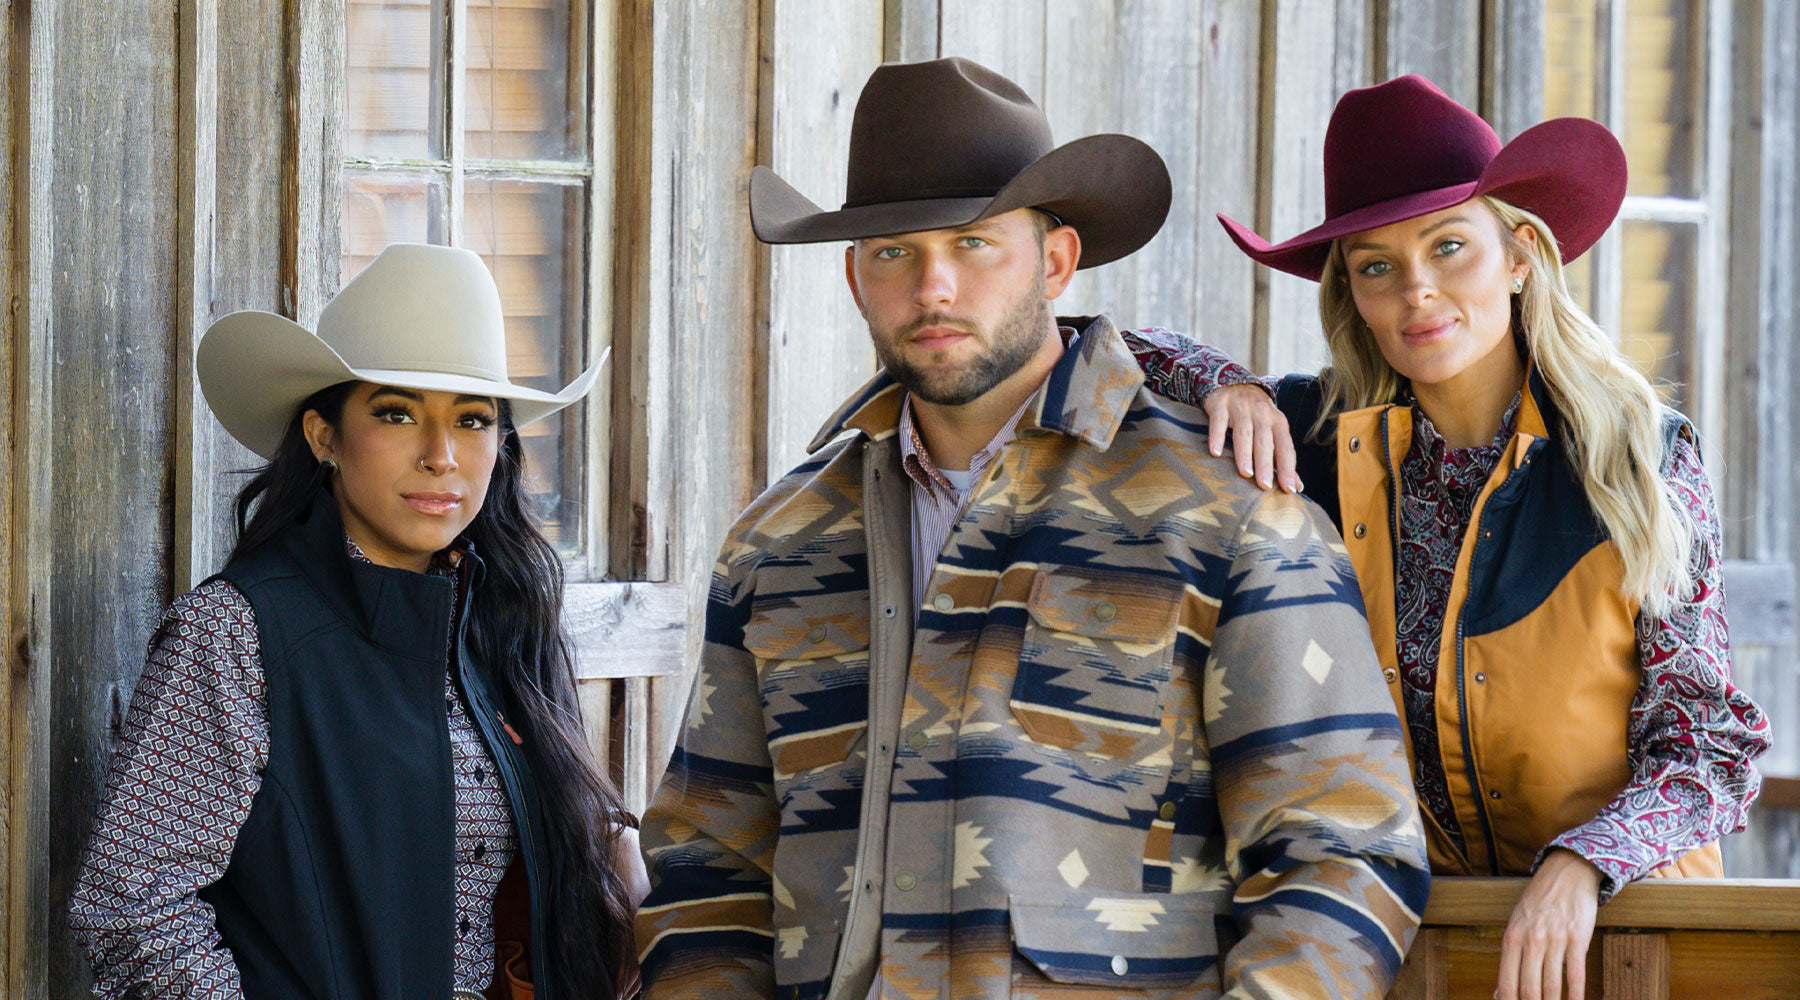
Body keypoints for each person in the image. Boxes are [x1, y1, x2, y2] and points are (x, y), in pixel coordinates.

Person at [633, 56, 1429, 1000]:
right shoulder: (780, 545)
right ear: (854, 278)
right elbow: (706, 868)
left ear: (1055, 262)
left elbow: (1341, 850)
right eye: (893, 251)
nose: (933, 285)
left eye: (974, 244)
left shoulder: (1226, 515)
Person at [1122, 75, 1770, 1000]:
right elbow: (1075, 344)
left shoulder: (1637, 459)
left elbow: (1709, 742)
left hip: (1628, 941)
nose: (1417, 292)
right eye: (1375, 265)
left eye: (1449, 246)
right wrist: (1222, 379)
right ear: (1352, 292)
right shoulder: (1314, 446)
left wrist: (1582, 864)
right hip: (1403, 952)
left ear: (1520, 255)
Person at [68, 243, 649, 1000]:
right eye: (398, 413)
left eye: (471, 420)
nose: (441, 455)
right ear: (324, 436)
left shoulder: (504, 627)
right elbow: (132, 908)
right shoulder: (237, 634)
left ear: (500, 445)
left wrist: (612, 839)